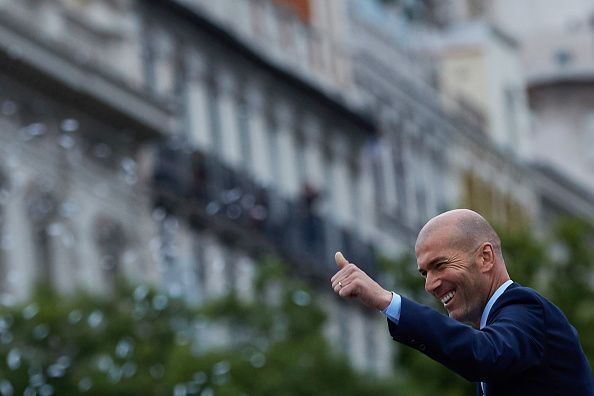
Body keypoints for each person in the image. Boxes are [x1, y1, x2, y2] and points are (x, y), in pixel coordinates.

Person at [331, 209, 593, 395]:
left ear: (485, 257)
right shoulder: (504, 326)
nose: (430, 284)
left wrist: (386, 301)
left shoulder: (526, 308)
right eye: (424, 273)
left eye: (440, 265)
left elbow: (483, 353)